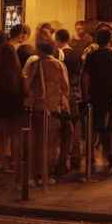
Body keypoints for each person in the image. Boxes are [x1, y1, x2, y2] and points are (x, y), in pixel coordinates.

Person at [24, 36, 70, 184]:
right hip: (53, 108)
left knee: (35, 142)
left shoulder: (34, 65)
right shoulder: (59, 65)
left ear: (40, 50)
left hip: (36, 107)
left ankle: (33, 175)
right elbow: (65, 87)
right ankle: (47, 174)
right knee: (51, 143)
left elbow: (26, 86)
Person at [82, 26, 112, 175]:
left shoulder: (91, 55)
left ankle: (91, 160)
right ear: (109, 40)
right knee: (109, 130)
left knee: (94, 129)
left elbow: (86, 76)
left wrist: (86, 95)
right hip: (108, 95)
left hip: (95, 95)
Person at [0, 29, 27, 176]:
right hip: (13, 99)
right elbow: (17, 78)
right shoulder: (10, 54)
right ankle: (15, 162)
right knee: (15, 133)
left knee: (3, 134)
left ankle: (3, 163)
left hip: (1, 99)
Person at [55, 28, 84, 175]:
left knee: (65, 130)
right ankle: (76, 159)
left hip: (65, 94)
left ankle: (62, 162)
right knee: (75, 127)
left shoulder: (60, 55)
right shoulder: (77, 54)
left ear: (58, 40)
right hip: (76, 93)